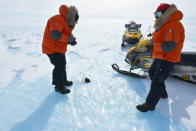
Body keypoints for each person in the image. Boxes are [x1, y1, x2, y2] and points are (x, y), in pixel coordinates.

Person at [136, 3, 185, 112]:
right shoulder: (165, 23)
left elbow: (169, 46)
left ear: (165, 13)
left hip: (168, 58)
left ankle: (149, 105)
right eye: (155, 13)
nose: (156, 16)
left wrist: (153, 45)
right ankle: (162, 93)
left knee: (157, 80)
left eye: (158, 13)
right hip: (161, 55)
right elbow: (160, 37)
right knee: (152, 73)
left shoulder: (173, 25)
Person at [42, 5, 79, 94]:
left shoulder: (65, 21)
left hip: (58, 48)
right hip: (51, 48)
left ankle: (64, 81)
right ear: (71, 17)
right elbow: (55, 35)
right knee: (59, 66)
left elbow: (65, 34)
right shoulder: (58, 20)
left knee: (62, 64)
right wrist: (68, 39)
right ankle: (58, 86)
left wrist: (71, 41)